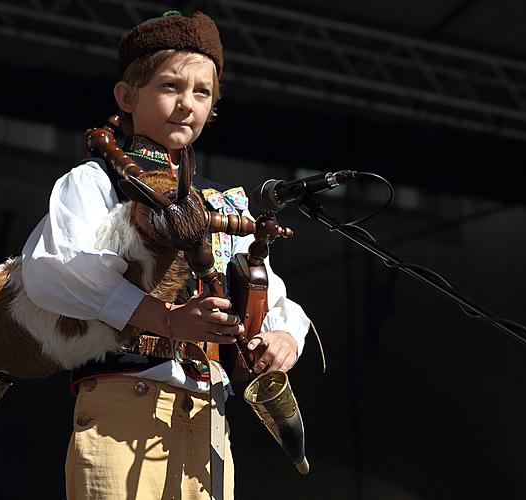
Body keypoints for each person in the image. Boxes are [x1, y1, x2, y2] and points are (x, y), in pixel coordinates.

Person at [20, 11, 311, 500]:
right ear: (126, 96)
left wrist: (283, 337)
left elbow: (276, 297)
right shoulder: (94, 182)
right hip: (122, 402)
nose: (186, 104)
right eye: (170, 86)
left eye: (202, 92)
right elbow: (55, 270)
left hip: (208, 413)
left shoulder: (220, 204)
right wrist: (169, 319)